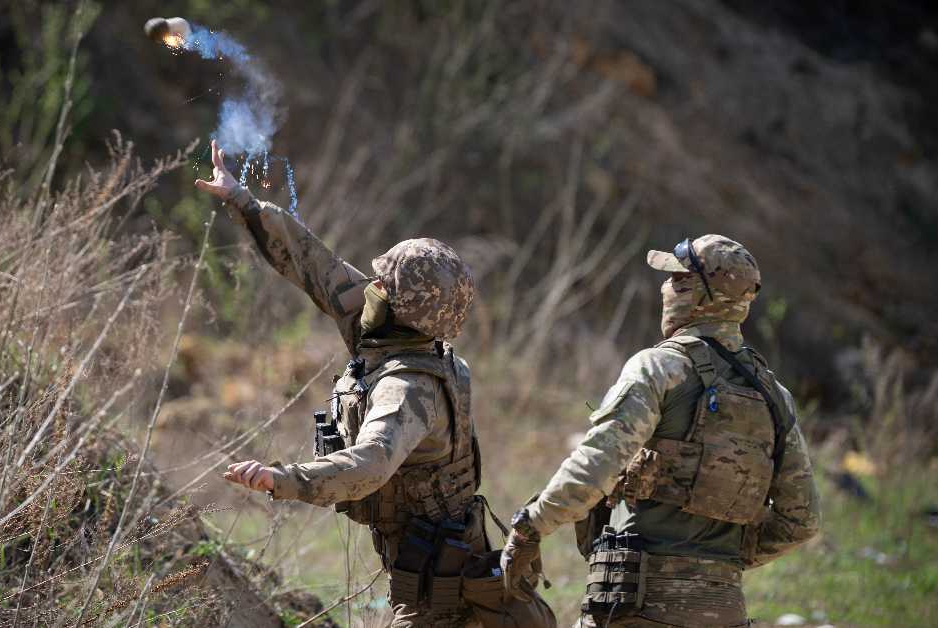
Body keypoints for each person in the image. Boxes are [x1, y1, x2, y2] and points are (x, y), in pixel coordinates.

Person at [196, 140, 554, 627]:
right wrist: (244, 202)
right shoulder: (386, 335)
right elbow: (313, 264)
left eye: (383, 284)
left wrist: (283, 479)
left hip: (441, 594)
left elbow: (369, 465)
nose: (371, 286)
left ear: (402, 309)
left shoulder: (408, 387)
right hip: (424, 571)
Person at [500, 235, 821, 627]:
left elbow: (596, 464)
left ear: (693, 292)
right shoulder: (775, 395)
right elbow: (800, 521)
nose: (665, 287)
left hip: (636, 604)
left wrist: (530, 526)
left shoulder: (658, 368)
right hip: (726, 609)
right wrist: (718, 568)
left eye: (674, 279)